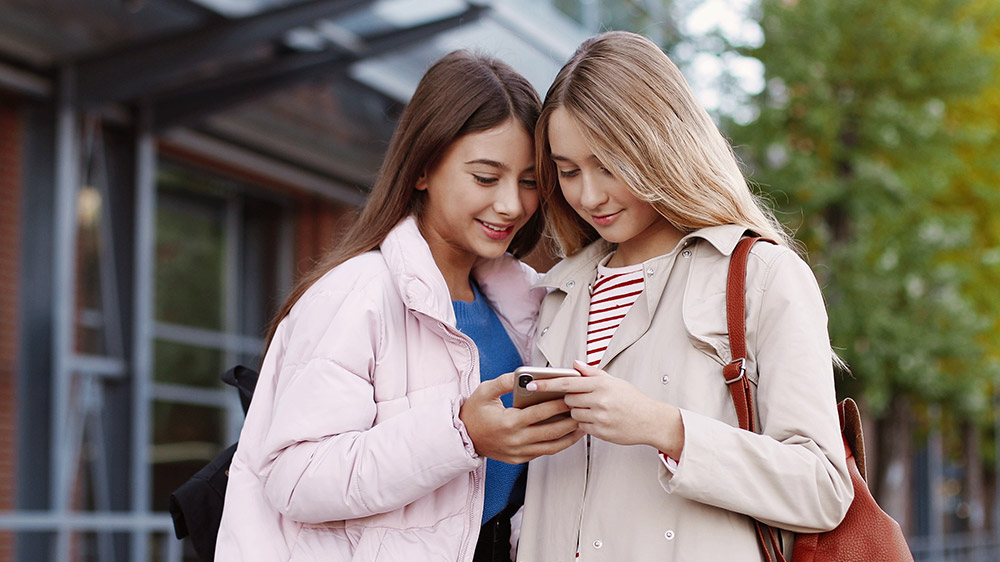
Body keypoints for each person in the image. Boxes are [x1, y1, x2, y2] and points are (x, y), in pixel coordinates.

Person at [215, 50, 583, 562]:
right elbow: (294, 479)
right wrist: (461, 434)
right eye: (485, 177)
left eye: (528, 182)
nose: (512, 205)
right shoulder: (355, 295)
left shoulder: (531, 306)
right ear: (422, 170)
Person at [515, 31, 854, 561]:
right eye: (568, 170)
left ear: (660, 146)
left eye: (608, 164)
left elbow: (822, 488)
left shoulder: (762, 276)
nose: (588, 195)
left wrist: (665, 428)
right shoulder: (557, 293)